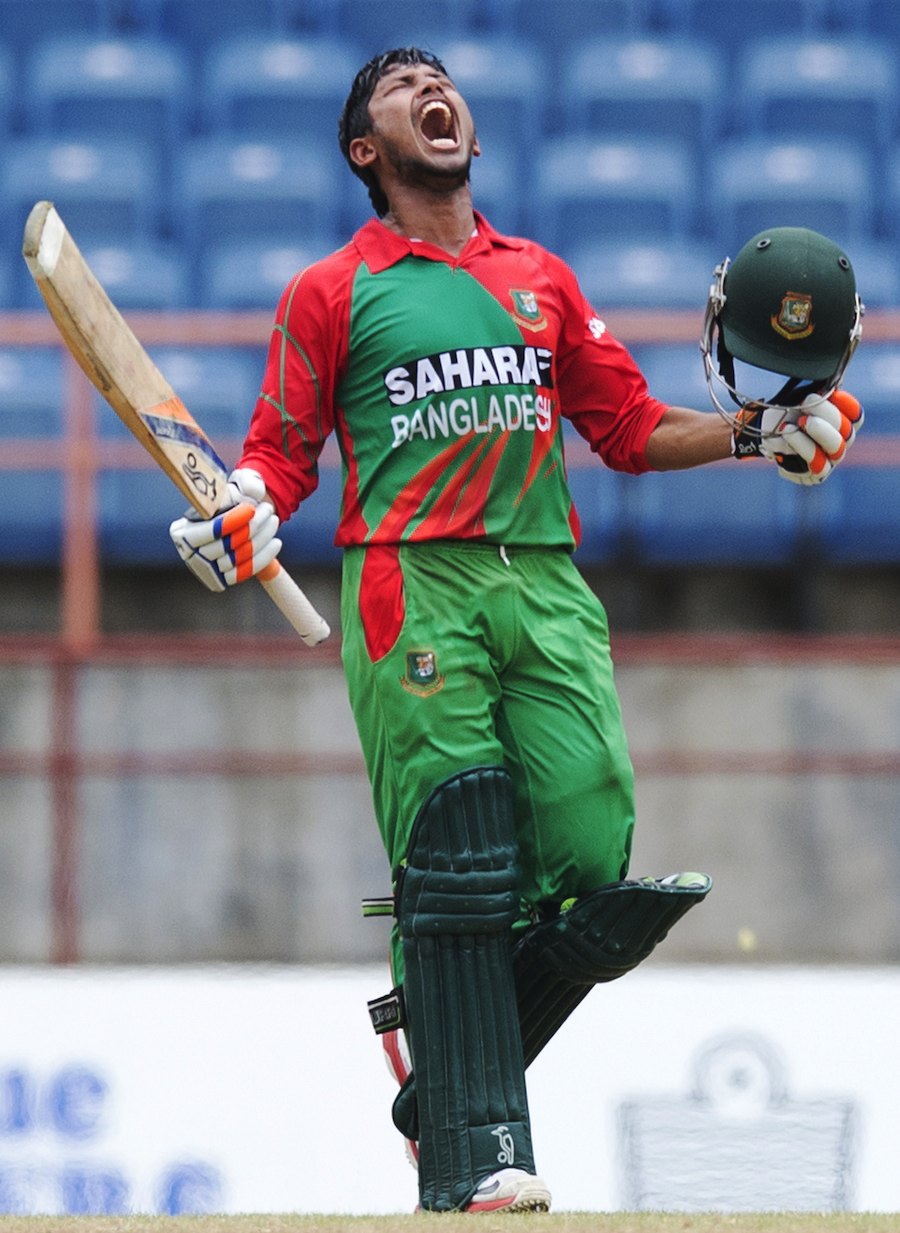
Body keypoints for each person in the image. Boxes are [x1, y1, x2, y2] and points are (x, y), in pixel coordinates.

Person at [169, 46, 864, 1214]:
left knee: (593, 852)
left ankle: (428, 1051)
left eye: (440, 83)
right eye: (400, 90)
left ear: (470, 131)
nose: (430, 94)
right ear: (367, 150)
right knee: (459, 850)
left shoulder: (539, 275)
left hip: (544, 583)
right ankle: (481, 1146)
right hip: (411, 584)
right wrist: (238, 509)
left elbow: (630, 425)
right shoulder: (330, 291)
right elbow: (278, 451)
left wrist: (757, 433)